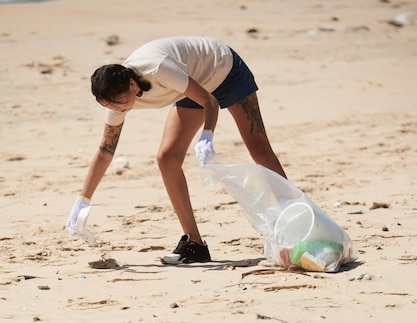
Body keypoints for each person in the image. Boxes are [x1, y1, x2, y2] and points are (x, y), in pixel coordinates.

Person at [66, 36, 287, 264]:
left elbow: (210, 102)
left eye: (117, 104)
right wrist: (84, 198)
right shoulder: (116, 98)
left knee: (258, 147)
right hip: (191, 86)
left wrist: (207, 136)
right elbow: (105, 150)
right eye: (108, 106)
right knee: (167, 158)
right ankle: (194, 244)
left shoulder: (158, 69)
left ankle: (295, 221)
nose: (115, 109)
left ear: (132, 85)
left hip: (223, 70)